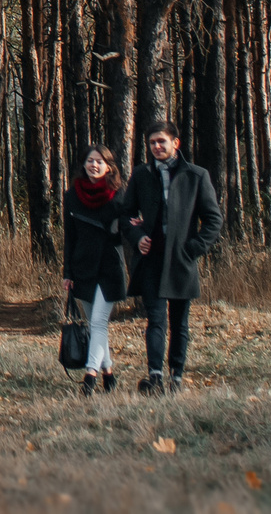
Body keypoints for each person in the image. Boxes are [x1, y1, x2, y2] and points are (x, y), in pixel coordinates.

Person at [127, 119, 223, 394]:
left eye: (162, 141)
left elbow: (214, 220)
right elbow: (126, 214)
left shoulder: (196, 175)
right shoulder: (141, 175)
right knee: (155, 318)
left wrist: (193, 249)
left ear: (175, 143)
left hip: (181, 259)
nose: (157, 147)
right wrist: (137, 237)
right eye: (152, 143)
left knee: (179, 321)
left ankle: (176, 377)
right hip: (151, 259)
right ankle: (155, 376)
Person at [60, 144, 130, 395]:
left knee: (99, 322)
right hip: (82, 267)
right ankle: (108, 373)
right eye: (90, 161)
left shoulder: (119, 194)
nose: (94, 165)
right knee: (93, 323)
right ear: (84, 165)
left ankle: (90, 378)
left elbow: (127, 228)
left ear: (109, 167)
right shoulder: (72, 196)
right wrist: (67, 273)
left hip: (110, 266)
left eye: (100, 161)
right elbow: (70, 237)